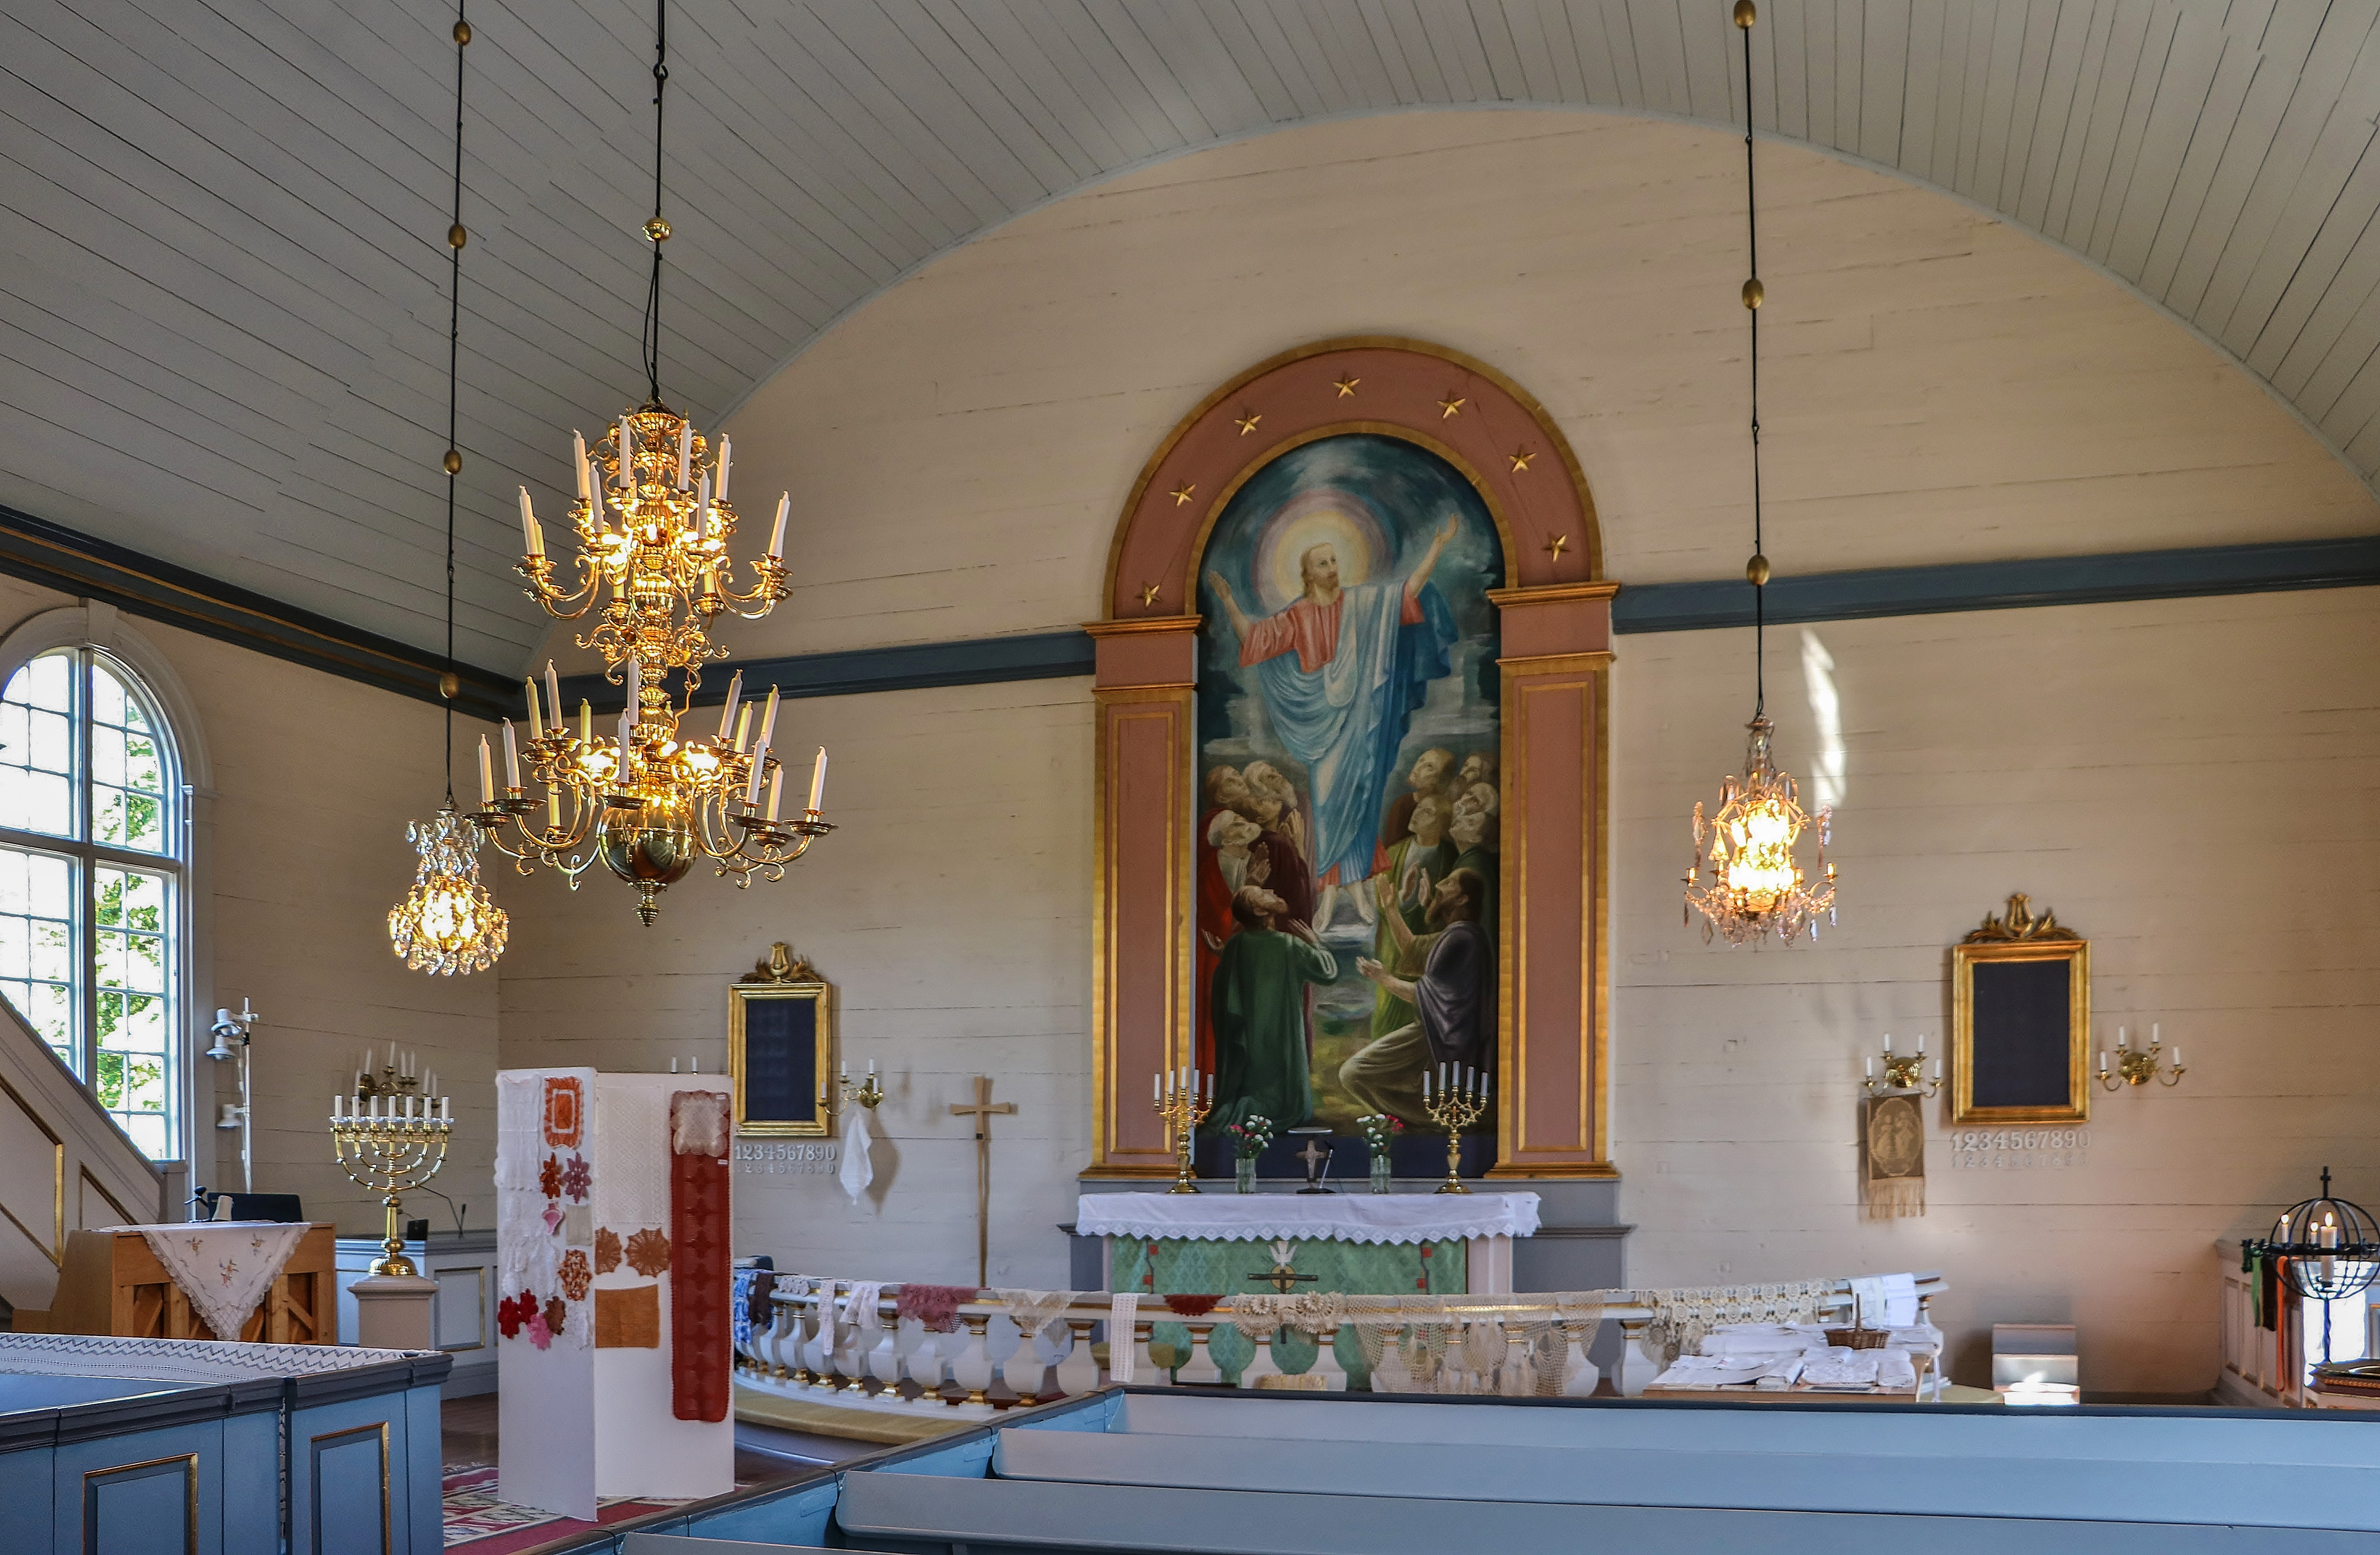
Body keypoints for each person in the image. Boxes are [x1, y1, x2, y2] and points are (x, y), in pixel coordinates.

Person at [1206, 522, 1462, 927]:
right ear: (1308, 574)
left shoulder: (1363, 605)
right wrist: (1228, 601)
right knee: (1326, 808)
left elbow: (1406, 593)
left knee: (1361, 799)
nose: (1331, 568)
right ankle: (1328, 894)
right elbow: (1255, 641)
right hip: (1321, 725)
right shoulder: (1298, 615)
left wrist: (1436, 547)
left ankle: (1357, 886)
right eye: (1322, 564)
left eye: (1333, 561)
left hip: (1362, 718)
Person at [1340, 868, 1495, 1125]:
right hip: (1440, 1032)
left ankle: (1429, 1121)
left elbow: (1426, 997)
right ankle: (1430, 1120)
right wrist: (1391, 909)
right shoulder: (1460, 935)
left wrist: (1384, 979)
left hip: (1441, 1036)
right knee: (1355, 1075)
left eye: (1448, 883)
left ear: (1462, 899)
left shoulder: (1462, 938)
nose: (1438, 886)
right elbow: (1414, 951)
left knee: (1353, 1073)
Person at [1207, 885, 1337, 1130]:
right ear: (1259, 911)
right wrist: (1315, 942)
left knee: (1255, 1084)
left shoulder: (1236, 945)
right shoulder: (1288, 945)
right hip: (1281, 1033)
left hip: (1250, 1035)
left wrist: (1225, 955)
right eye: (1263, 894)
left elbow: (1238, 978)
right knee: (1282, 1093)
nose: (1271, 890)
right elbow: (1328, 972)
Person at [1368, 795, 1454, 1040]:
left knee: (1422, 1013)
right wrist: (1402, 898)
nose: (1417, 814)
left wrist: (1430, 904)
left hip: (1429, 947)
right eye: (1419, 808)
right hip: (1394, 948)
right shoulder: (1394, 853)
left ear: (1442, 823)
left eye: (1427, 812)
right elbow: (1381, 900)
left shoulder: (1450, 857)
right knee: (1388, 1011)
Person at [1379, 747, 1457, 858]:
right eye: (1421, 760)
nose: (1418, 768)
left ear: (1441, 779)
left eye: (1429, 767)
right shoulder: (1403, 804)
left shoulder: (1447, 810)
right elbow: (1391, 853)